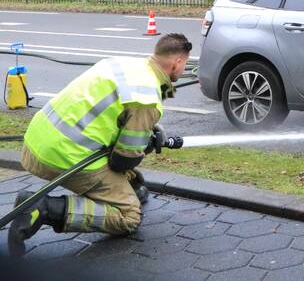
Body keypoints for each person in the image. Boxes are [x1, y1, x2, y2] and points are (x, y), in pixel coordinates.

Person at [7, 33, 192, 255]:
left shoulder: (125, 65)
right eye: (186, 64)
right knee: (129, 217)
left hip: (37, 139)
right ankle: (42, 209)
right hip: (63, 155)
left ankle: (129, 190)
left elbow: (111, 114)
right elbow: (122, 160)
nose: (185, 69)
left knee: (131, 179)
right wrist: (144, 144)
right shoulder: (147, 100)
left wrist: (145, 132)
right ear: (177, 62)